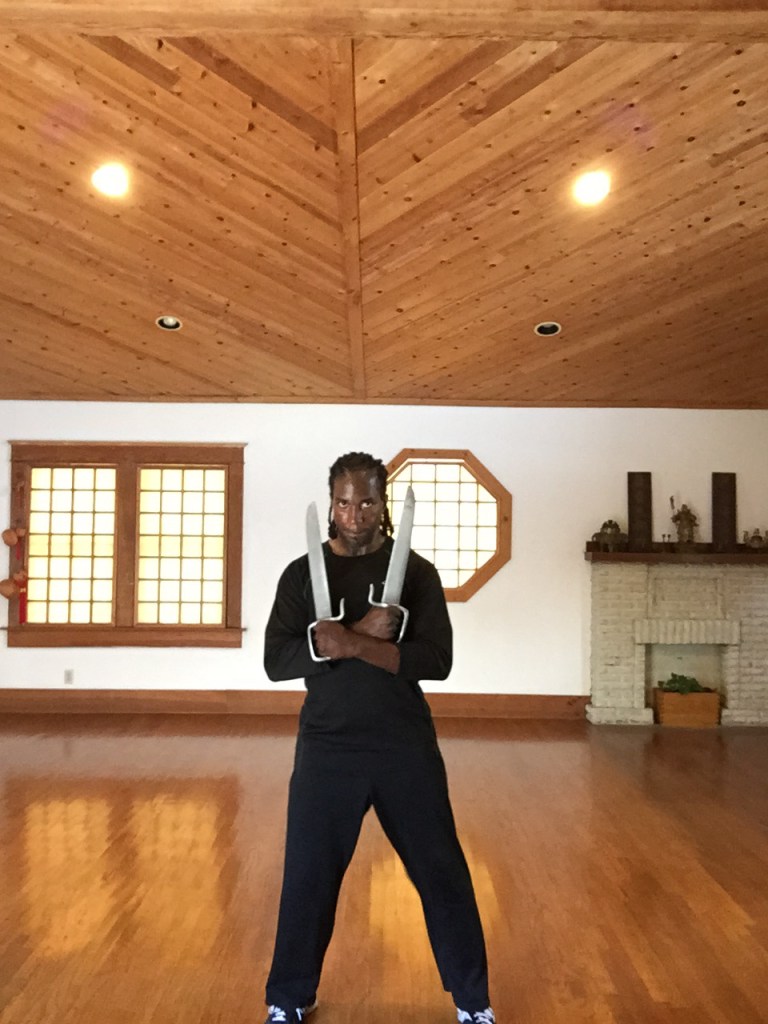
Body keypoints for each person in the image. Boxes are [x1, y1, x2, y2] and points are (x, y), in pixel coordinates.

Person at [263, 452, 494, 1024]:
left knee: (441, 871)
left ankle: (474, 1004)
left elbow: (437, 661)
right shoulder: (301, 574)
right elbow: (276, 661)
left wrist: (353, 644)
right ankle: (288, 999)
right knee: (308, 876)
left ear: (382, 503)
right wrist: (351, 637)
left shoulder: (415, 573)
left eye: (366, 501)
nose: (354, 515)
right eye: (343, 503)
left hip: (403, 744)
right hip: (327, 746)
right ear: (331, 503)